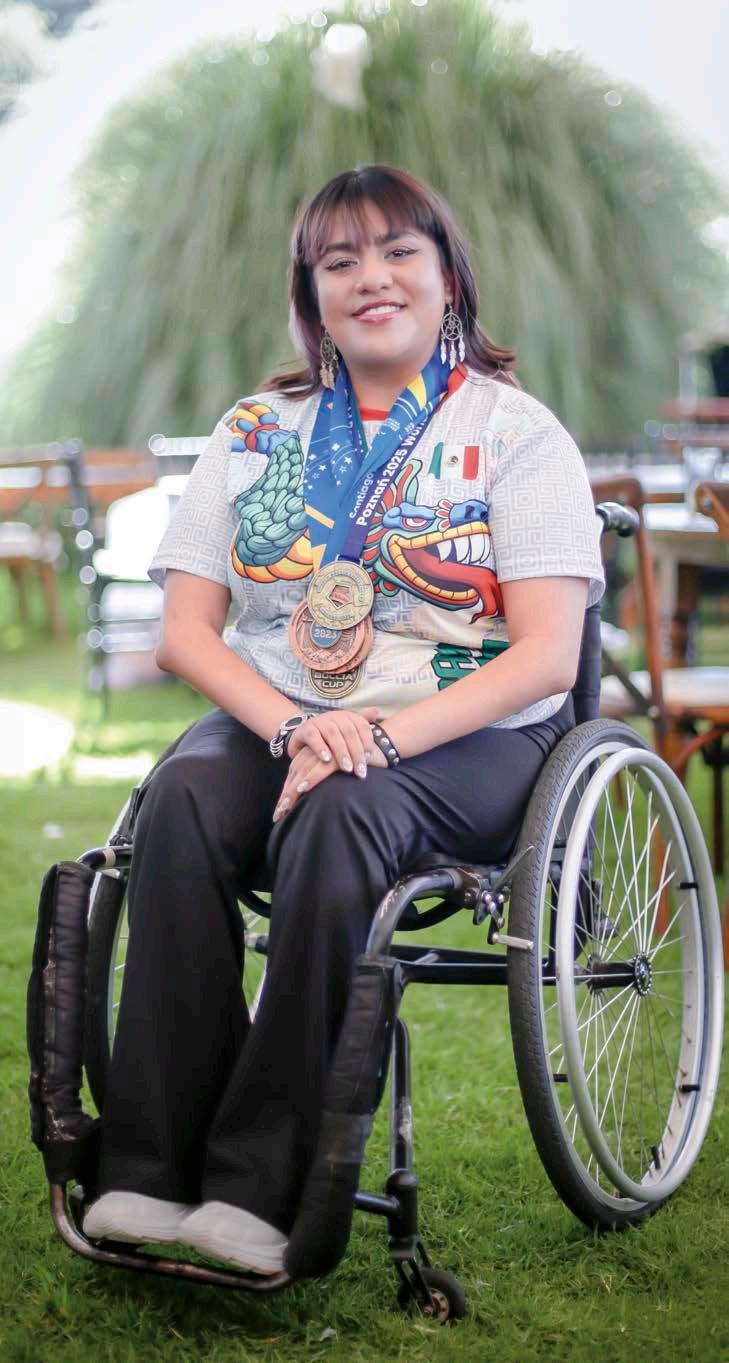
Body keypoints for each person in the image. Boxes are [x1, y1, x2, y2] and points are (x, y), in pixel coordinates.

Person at [83, 164, 604, 1275]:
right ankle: (146, 1167)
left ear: (448, 276)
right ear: (311, 294)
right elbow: (186, 634)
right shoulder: (255, 430)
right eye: (340, 260)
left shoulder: (516, 434)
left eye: (399, 251)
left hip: (466, 731)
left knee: (341, 813)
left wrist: (372, 738)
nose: (373, 277)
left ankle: (259, 1185)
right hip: (287, 713)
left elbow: (546, 657)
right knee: (181, 794)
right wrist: (293, 728)